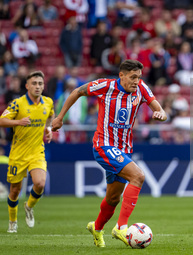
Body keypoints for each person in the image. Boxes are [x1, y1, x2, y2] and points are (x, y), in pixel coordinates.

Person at [52, 60, 167, 247]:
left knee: (113, 198)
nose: (136, 81)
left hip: (124, 150)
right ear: (121, 75)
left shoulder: (142, 88)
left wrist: (161, 113)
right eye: (132, 77)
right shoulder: (106, 85)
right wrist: (59, 117)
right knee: (138, 176)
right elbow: (77, 92)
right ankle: (121, 227)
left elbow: (160, 109)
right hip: (103, 145)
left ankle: (96, 229)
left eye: (138, 77)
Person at [0, 71, 54, 233]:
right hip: (18, 153)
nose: (37, 87)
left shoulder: (48, 102)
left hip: (37, 151)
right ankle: (12, 221)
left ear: (43, 86)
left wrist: (48, 129)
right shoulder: (18, 104)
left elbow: (50, 116)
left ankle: (29, 207)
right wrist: (18, 122)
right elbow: (2, 120)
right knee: (15, 190)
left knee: (40, 184)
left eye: (40, 84)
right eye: (34, 83)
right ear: (27, 86)